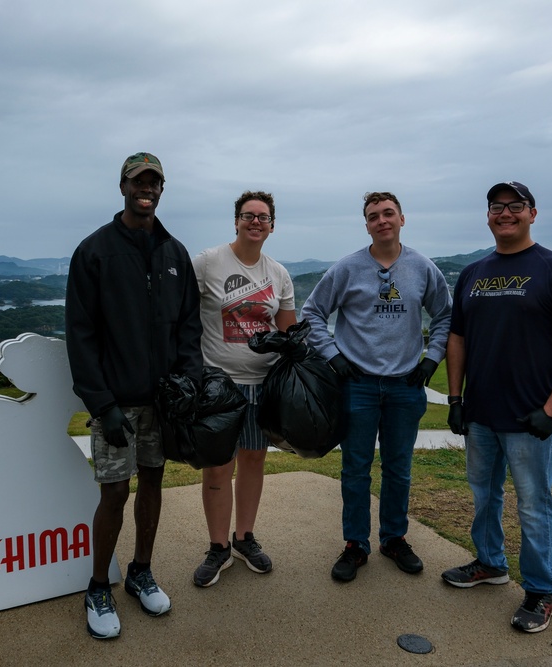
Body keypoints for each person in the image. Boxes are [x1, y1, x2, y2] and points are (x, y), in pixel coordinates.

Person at [441, 181, 552, 634]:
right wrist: (455, 398)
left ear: (532, 213)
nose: (504, 213)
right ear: (488, 216)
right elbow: (458, 338)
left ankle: (542, 591)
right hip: (481, 412)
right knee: (484, 494)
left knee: (533, 502)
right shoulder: (473, 273)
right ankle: (490, 563)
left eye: (514, 206)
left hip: (531, 415)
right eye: (496, 207)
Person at [65, 152, 203, 640]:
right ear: (122, 187)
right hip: (115, 403)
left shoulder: (174, 253)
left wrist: (188, 386)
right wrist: (102, 404)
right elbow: (80, 335)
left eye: (154, 182)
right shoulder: (95, 251)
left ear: (162, 189)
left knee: (152, 484)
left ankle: (141, 571)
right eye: (138, 182)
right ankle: (99, 585)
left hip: (163, 401)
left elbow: (189, 326)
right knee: (114, 492)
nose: (146, 189)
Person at [301, 191, 452, 582]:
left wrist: (433, 357)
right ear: (366, 224)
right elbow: (313, 313)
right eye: (373, 216)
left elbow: (445, 315)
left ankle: (394, 538)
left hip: (405, 385)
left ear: (403, 218)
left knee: (399, 468)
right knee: (355, 469)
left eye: (388, 213)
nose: (381, 220)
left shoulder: (423, 268)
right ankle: (355, 544)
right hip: (357, 385)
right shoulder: (348, 268)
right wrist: (332, 354)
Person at [190, 190, 297, 587]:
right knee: (219, 465)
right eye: (248, 215)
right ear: (235, 220)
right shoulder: (207, 262)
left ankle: (244, 537)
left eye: (263, 217)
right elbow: (181, 314)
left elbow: (287, 332)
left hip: (262, 383)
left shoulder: (279, 273)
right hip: (217, 384)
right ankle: (218, 546)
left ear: (272, 225)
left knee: (253, 459)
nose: (256, 222)